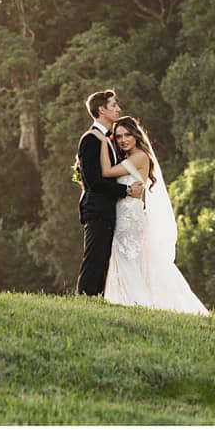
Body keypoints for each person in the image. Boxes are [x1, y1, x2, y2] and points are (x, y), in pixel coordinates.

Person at [98, 116, 208, 314]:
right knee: (128, 259)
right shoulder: (127, 158)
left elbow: (106, 172)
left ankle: (137, 304)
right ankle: (129, 302)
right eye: (119, 136)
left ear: (136, 135)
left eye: (127, 135)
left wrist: (102, 142)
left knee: (128, 258)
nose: (123, 140)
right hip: (124, 213)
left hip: (130, 216)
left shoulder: (139, 157)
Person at [76, 89, 144, 296]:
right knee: (95, 258)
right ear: (102, 109)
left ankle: (96, 298)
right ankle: (85, 299)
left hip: (109, 209)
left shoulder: (110, 140)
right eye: (113, 105)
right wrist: (126, 190)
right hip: (97, 209)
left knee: (103, 259)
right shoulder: (90, 139)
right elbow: (95, 181)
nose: (118, 109)